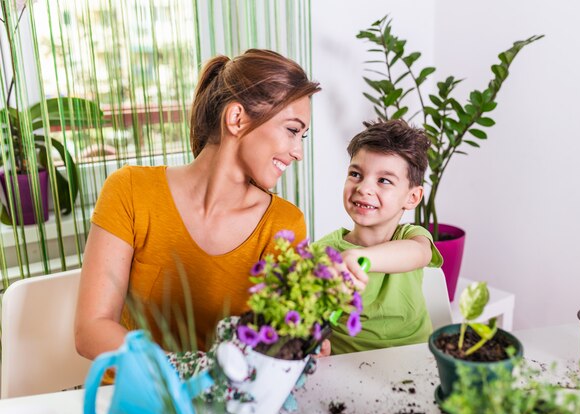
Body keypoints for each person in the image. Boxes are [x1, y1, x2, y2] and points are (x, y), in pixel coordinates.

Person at [75, 49, 321, 359]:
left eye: (303, 136)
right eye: (292, 130)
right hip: (135, 396)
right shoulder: (130, 190)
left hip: (224, 402)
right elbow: (91, 330)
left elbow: (273, 342)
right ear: (236, 119)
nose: (298, 151)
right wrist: (182, 374)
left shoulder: (284, 225)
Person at [315, 119, 443, 355]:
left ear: (412, 198)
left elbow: (419, 254)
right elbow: (311, 317)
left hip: (416, 359)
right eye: (356, 174)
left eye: (384, 180)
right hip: (347, 364)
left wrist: (358, 258)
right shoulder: (323, 252)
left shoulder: (411, 237)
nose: (364, 188)